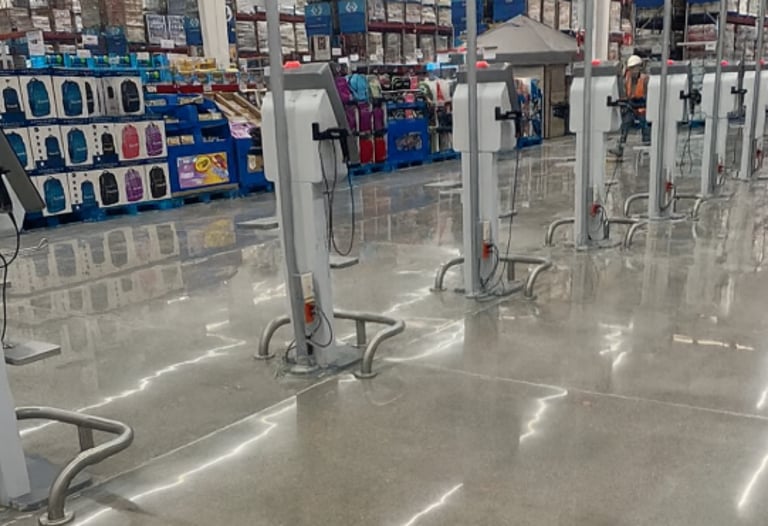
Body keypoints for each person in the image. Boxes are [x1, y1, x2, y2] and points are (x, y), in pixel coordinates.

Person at [610, 55, 651, 157]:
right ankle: (620, 147)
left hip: (643, 108)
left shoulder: (645, 80)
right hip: (631, 108)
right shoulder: (627, 80)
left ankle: (647, 147)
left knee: (645, 125)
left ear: (639, 68)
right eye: (631, 69)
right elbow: (625, 95)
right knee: (626, 122)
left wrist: (639, 102)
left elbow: (648, 98)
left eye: (635, 68)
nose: (633, 71)